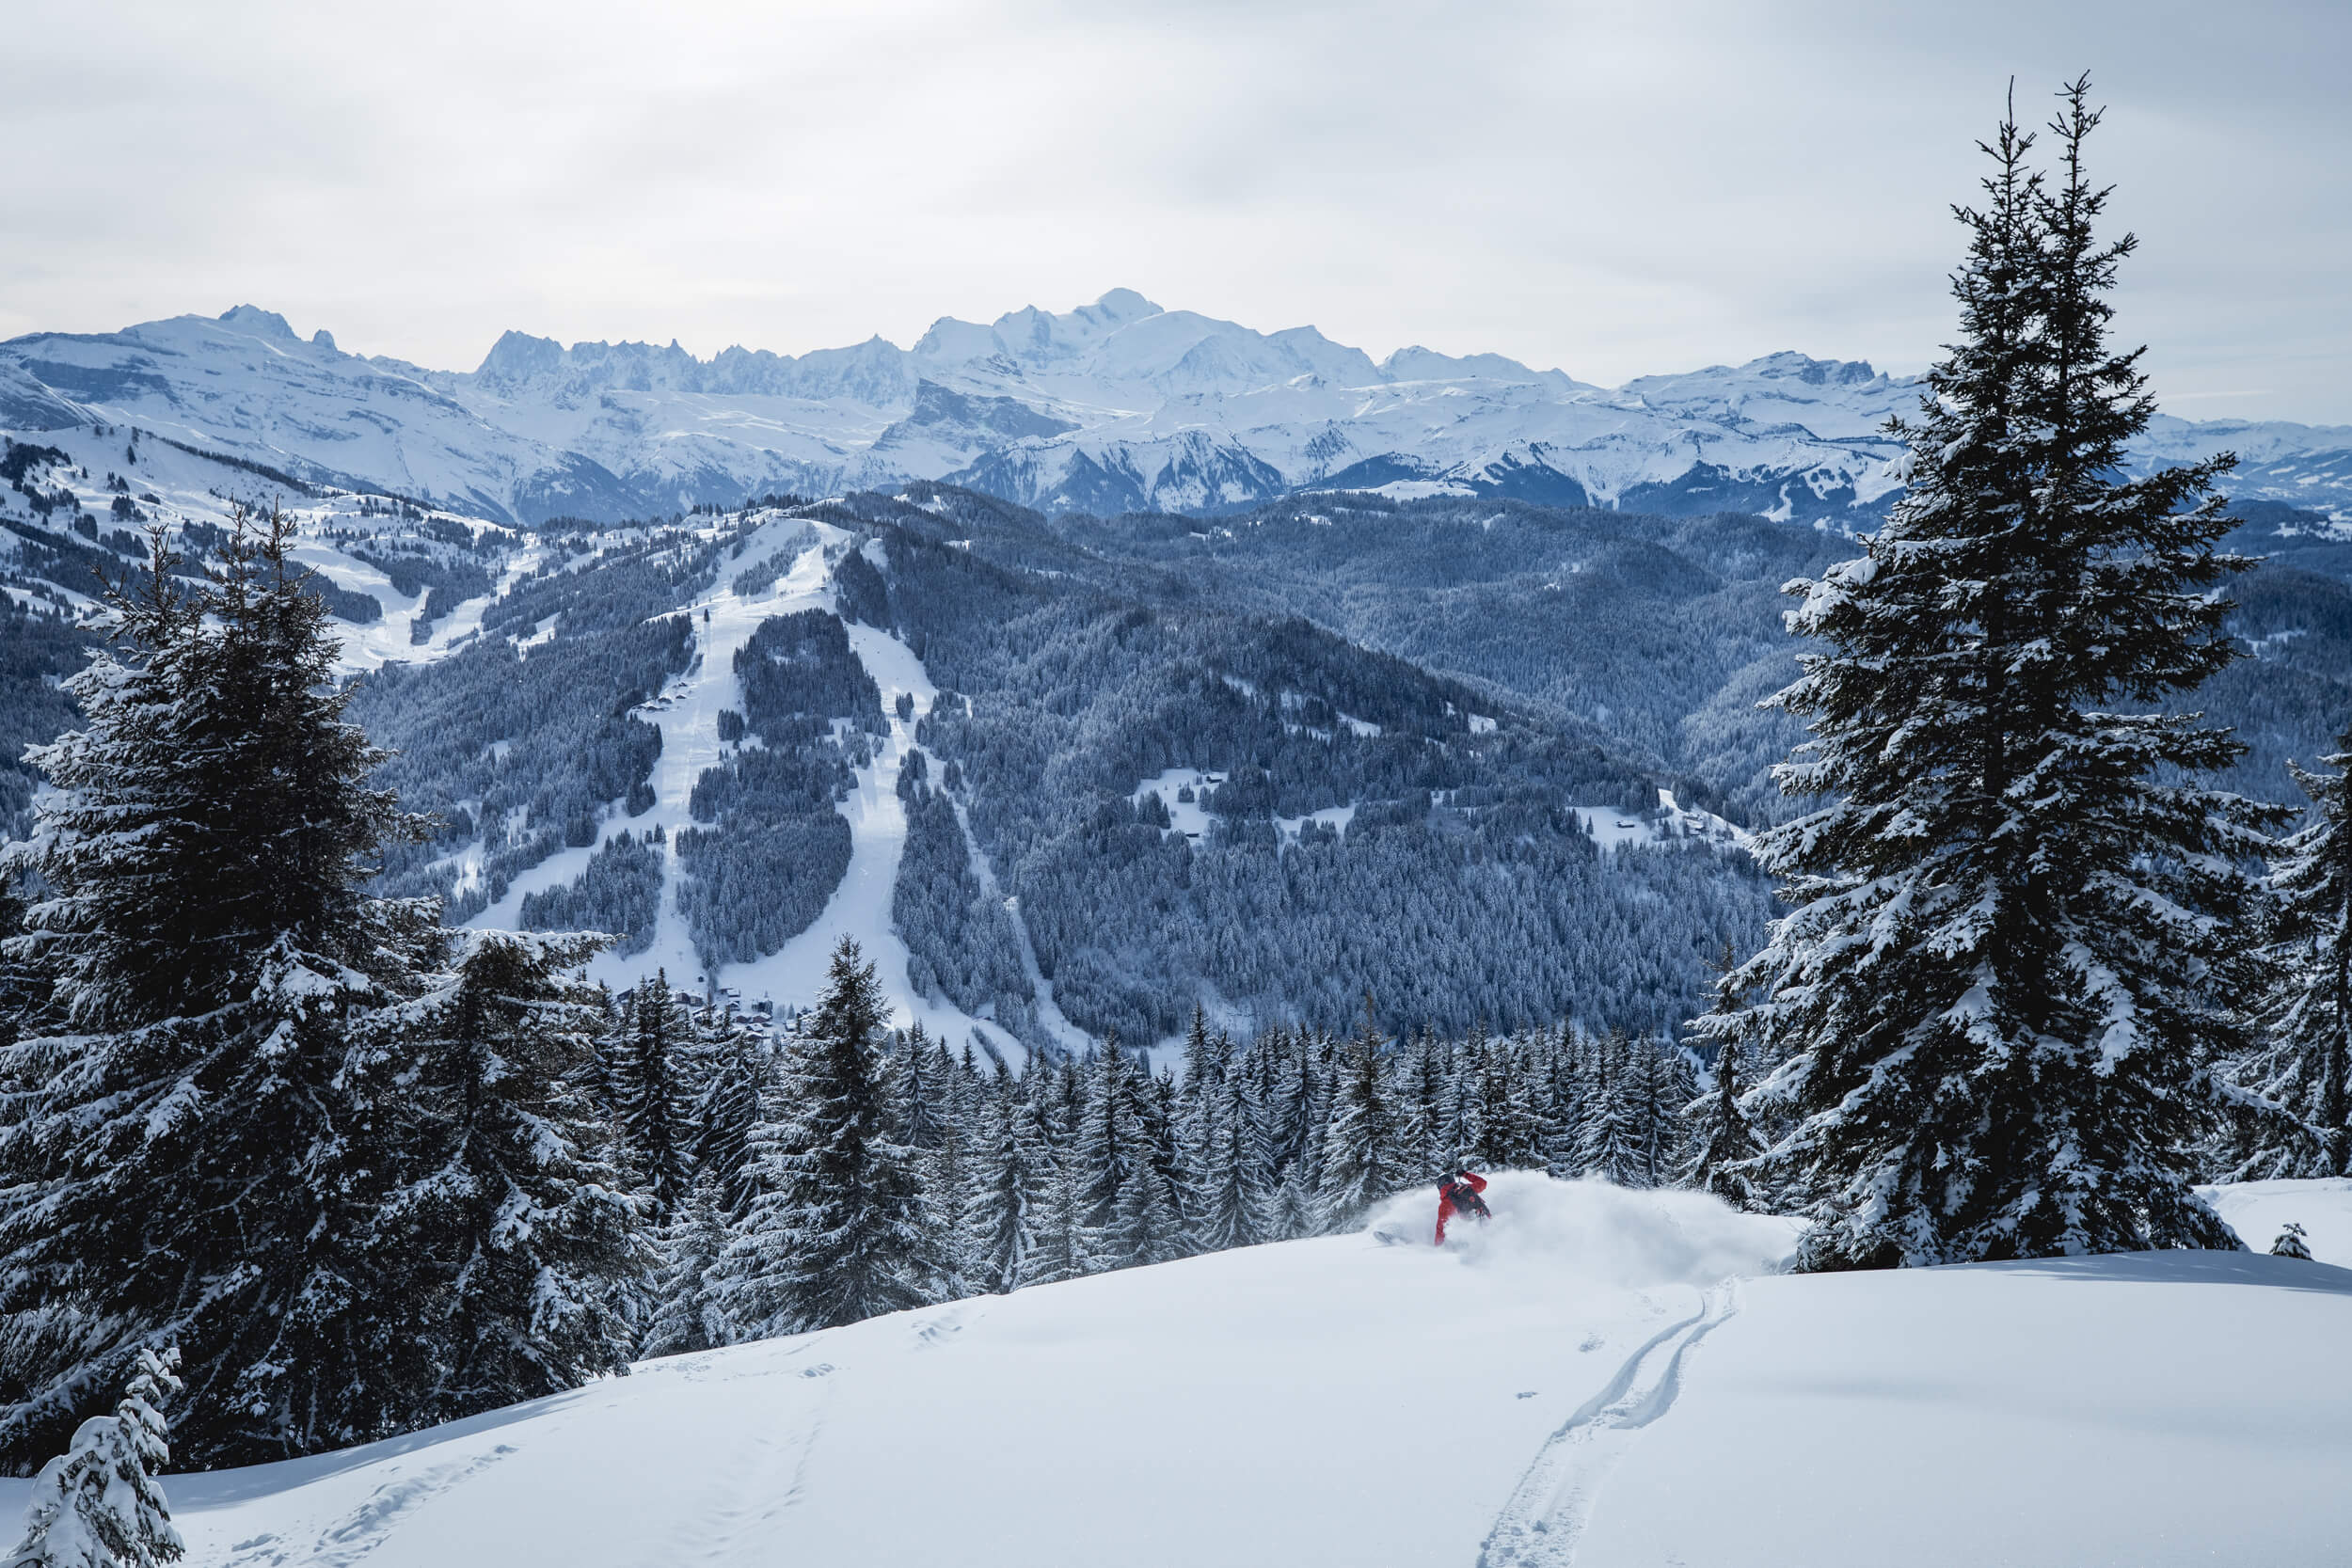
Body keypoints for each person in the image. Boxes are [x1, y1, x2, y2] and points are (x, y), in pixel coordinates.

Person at [1435, 1168, 1490, 1244]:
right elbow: (1483, 1183)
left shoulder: (1445, 1203)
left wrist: (1437, 1247)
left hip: (1473, 1233)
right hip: (1487, 1220)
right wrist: (1465, 1174)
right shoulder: (1467, 1188)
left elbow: (1440, 1228)